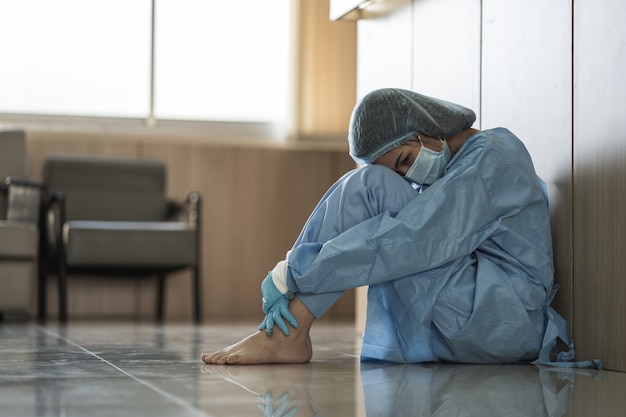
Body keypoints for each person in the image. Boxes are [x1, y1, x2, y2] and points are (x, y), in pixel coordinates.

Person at [202, 88, 599, 368]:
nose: (411, 175)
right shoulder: (456, 167)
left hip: (507, 319)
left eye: (406, 159)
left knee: (376, 196)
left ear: (426, 128)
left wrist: (295, 272)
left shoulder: (493, 155)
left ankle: (288, 332)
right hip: (475, 310)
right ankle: (289, 330)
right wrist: (294, 268)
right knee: (371, 185)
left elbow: (417, 240)